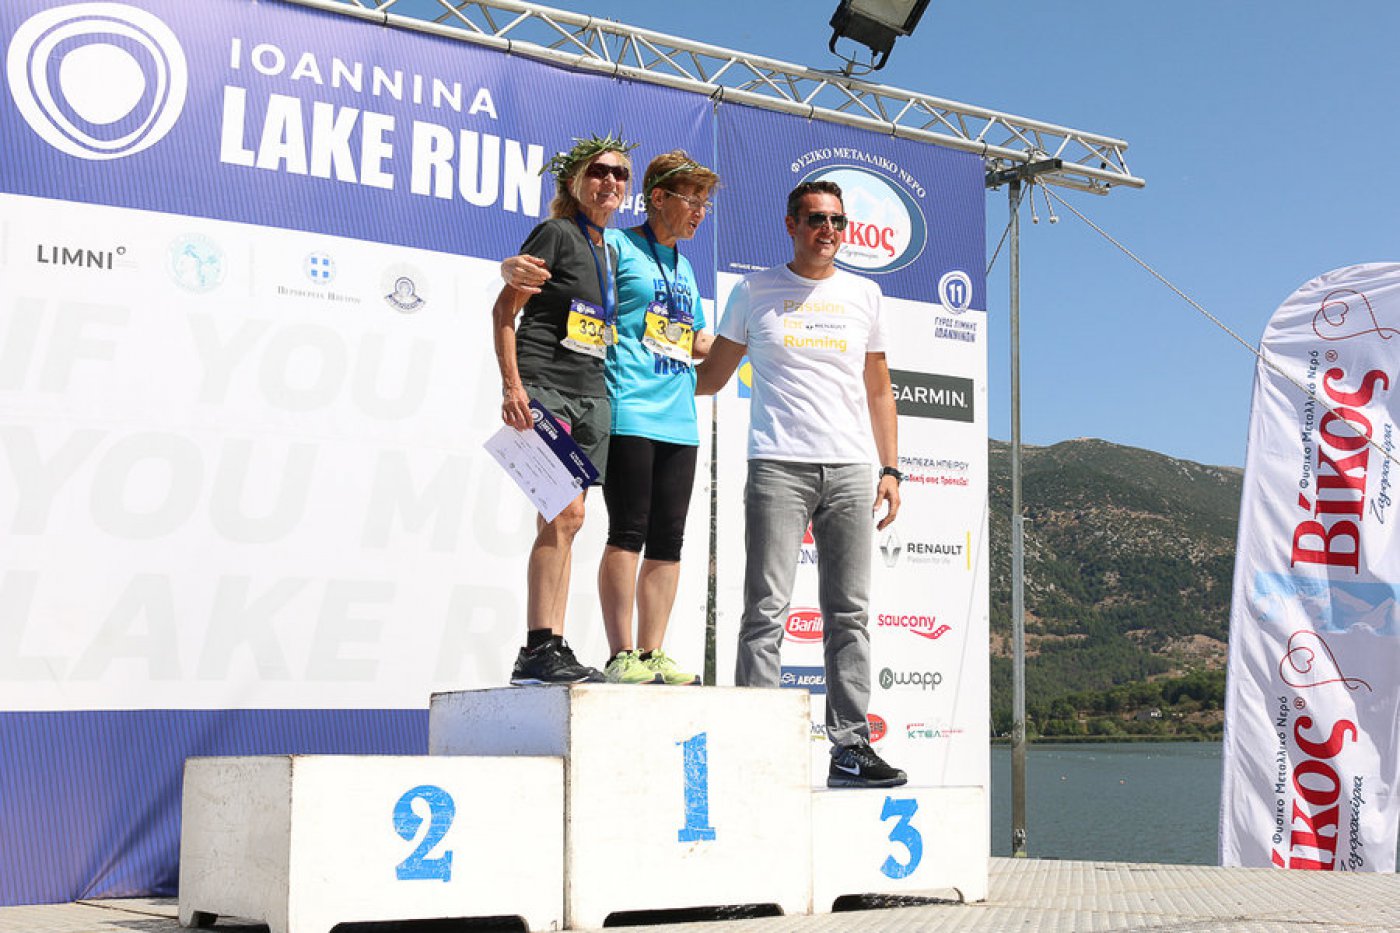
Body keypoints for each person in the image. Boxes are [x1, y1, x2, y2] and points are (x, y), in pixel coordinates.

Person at [696, 179, 907, 788]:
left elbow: (879, 389)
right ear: (791, 224)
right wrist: (653, 363)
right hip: (777, 466)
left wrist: (891, 469)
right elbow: (712, 376)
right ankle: (758, 749)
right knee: (765, 610)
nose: (828, 231)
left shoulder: (865, 294)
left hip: (851, 470)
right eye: (816, 219)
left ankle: (850, 748)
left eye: (838, 221)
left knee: (850, 615)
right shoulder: (753, 291)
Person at [503, 151, 720, 686]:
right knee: (607, 526)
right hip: (623, 403)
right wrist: (509, 269)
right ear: (659, 198)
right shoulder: (614, 244)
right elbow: (533, 284)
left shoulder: (681, 264)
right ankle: (607, 651)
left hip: (670, 412)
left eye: (705, 203)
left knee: (660, 537)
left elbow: (687, 336)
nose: (699, 211)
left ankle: (647, 652)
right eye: (691, 199)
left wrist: (737, 336)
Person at [492, 133, 635, 685]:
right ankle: (538, 646)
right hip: (546, 385)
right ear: (574, 182)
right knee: (564, 513)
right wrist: (513, 386)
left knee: (569, 521)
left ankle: (550, 645)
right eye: (599, 171)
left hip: (592, 391)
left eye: (619, 173)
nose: (610, 181)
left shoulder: (608, 248)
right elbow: (505, 310)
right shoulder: (556, 233)